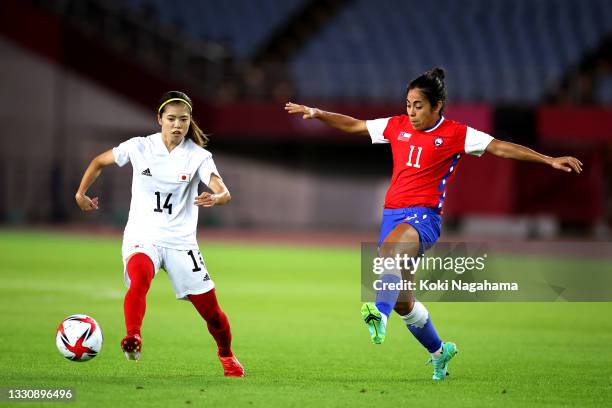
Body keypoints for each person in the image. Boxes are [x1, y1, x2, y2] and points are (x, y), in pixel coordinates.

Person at [285, 67, 582, 381]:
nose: (411, 112)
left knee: (390, 254)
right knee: (403, 301)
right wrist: (318, 112)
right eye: (408, 104)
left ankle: (378, 314)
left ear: (437, 105)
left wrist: (548, 159)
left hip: (423, 217)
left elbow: (500, 147)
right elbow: (356, 126)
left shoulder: (456, 133)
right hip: (393, 216)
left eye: (418, 106)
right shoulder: (396, 126)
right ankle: (440, 352)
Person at [75, 91, 245, 377]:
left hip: (181, 242)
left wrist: (217, 198)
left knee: (212, 313)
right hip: (144, 234)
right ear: (159, 120)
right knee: (139, 278)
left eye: (184, 119)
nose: (177, 125)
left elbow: (223, 190)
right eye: (171, 119)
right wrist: (81, 193)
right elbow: (99, 162)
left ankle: (226, 354)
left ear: (190, 122)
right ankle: (134, 337)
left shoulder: (198, 156)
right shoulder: (139, 147)